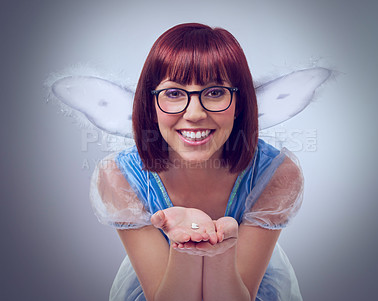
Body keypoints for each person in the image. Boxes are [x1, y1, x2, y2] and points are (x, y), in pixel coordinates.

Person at [90, 23, 304, 301]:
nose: (194, 114)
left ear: (239, 101)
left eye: (215, 92)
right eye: (174, 93)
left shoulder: (277, 173)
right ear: (150, 103)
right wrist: (185, 245)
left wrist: (223, 250)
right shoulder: (119, 176)